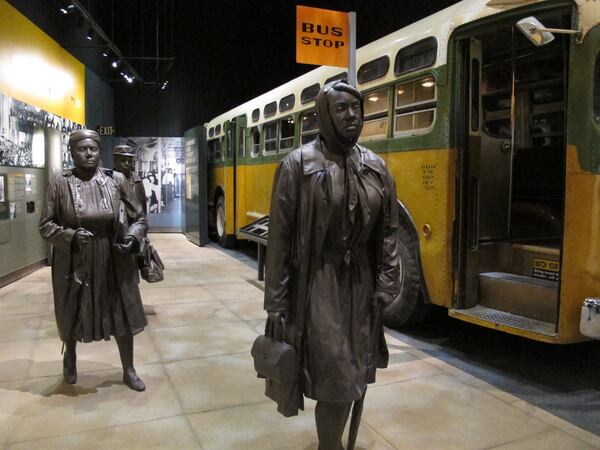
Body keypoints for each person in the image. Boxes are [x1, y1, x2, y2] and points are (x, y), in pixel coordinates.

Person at [264, 80, 401, 450]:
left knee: (355, 369)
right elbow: (279, 236)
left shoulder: (375, 166)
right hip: (318, 281)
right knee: (337, 375)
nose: (351, 115)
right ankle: (330, 446)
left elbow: (389, 230)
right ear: (324, 115)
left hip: (361, 281)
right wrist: (276, 300)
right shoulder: (299, 164)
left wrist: (387, 281)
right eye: (341, 108)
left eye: (356, 108)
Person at [39, 129, 148, 391]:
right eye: (82, 149)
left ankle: (128, 368)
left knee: (120, 309)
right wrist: (71, 236)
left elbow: (140, 218)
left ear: (100, 151)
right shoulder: (59, 182)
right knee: (73, 308)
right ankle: (70, 356)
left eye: (93, 149)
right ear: (72, 152)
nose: (89, 153)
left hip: (113, 256)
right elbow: (45, 225)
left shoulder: (116, 180)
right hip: (75, 258)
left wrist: (132, 238)